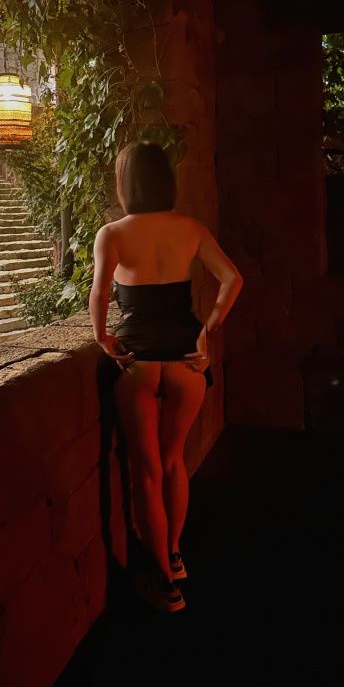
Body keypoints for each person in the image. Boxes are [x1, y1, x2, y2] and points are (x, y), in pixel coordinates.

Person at [89, 141, 244, 613]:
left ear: (126, 182)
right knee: (174, 461)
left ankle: (163, 583)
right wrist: (207, 330)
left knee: (146, 469)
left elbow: (99, 293)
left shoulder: (113, 233)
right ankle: (174, 557)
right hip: (186, 358)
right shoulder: (190, 228)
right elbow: (232, 279)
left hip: (136, 359)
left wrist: (102, 339)